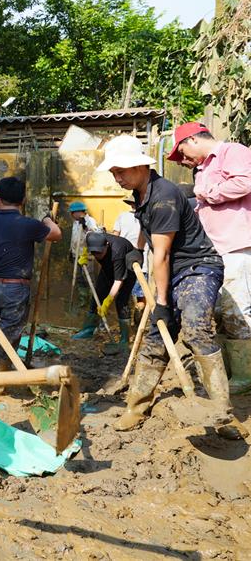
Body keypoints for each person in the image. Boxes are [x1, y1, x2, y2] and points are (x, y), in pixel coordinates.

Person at [96, 135, 230, 432]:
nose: (117, 177)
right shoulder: (142, 193)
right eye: (114, 172)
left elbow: (164, 254)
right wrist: (138, 247)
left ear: (141, 166)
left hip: (198, 268)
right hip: (172, 268)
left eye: (121, 171)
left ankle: (222, 413)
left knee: (196, 329)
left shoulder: (164, 197)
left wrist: (162, 303)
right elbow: (150, 232)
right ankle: (136, 406)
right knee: (155, 339)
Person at [168, 122, 251, 393]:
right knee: (220, 310)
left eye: (182, 152)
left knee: (237, 308)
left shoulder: (232, 151)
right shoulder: (202, 169)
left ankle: (245, 376)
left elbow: (246, 181)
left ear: (192, 140)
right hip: (215, 249)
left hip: (236, 244)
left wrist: (204, 193)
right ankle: (231, 369)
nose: (183, 160)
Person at [0, 177, 61, 381]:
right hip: (15, 291)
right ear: (23, 199)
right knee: (9, 336)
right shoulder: (28, 224)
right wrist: (46, 219)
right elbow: (56, 234)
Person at [84, 231, 140, 354]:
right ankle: (88, 330)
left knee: (121, 300)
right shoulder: (94, 238)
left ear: (107, 245)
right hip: (108, 266)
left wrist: (108, 301)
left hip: (126, 265)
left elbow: (118, 281)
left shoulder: (117, 252)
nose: (96, 255)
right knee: (97, 294)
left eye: (99, 252)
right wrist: (84, 254)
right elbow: (87, 237)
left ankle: (124, 339)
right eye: (93, 252)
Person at [68, 200, 102, 338]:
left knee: (91, 283)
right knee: (81, 282)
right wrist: (71, 251)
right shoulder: (75, 223)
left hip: (86, 257)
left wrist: (86, 227)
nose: (71, 215)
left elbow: (95, 235)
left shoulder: (90, 221)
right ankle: (83, 302)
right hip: (76, 255)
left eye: (73, 212)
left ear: (79, 212)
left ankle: (94, 307)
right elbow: (74, 238)